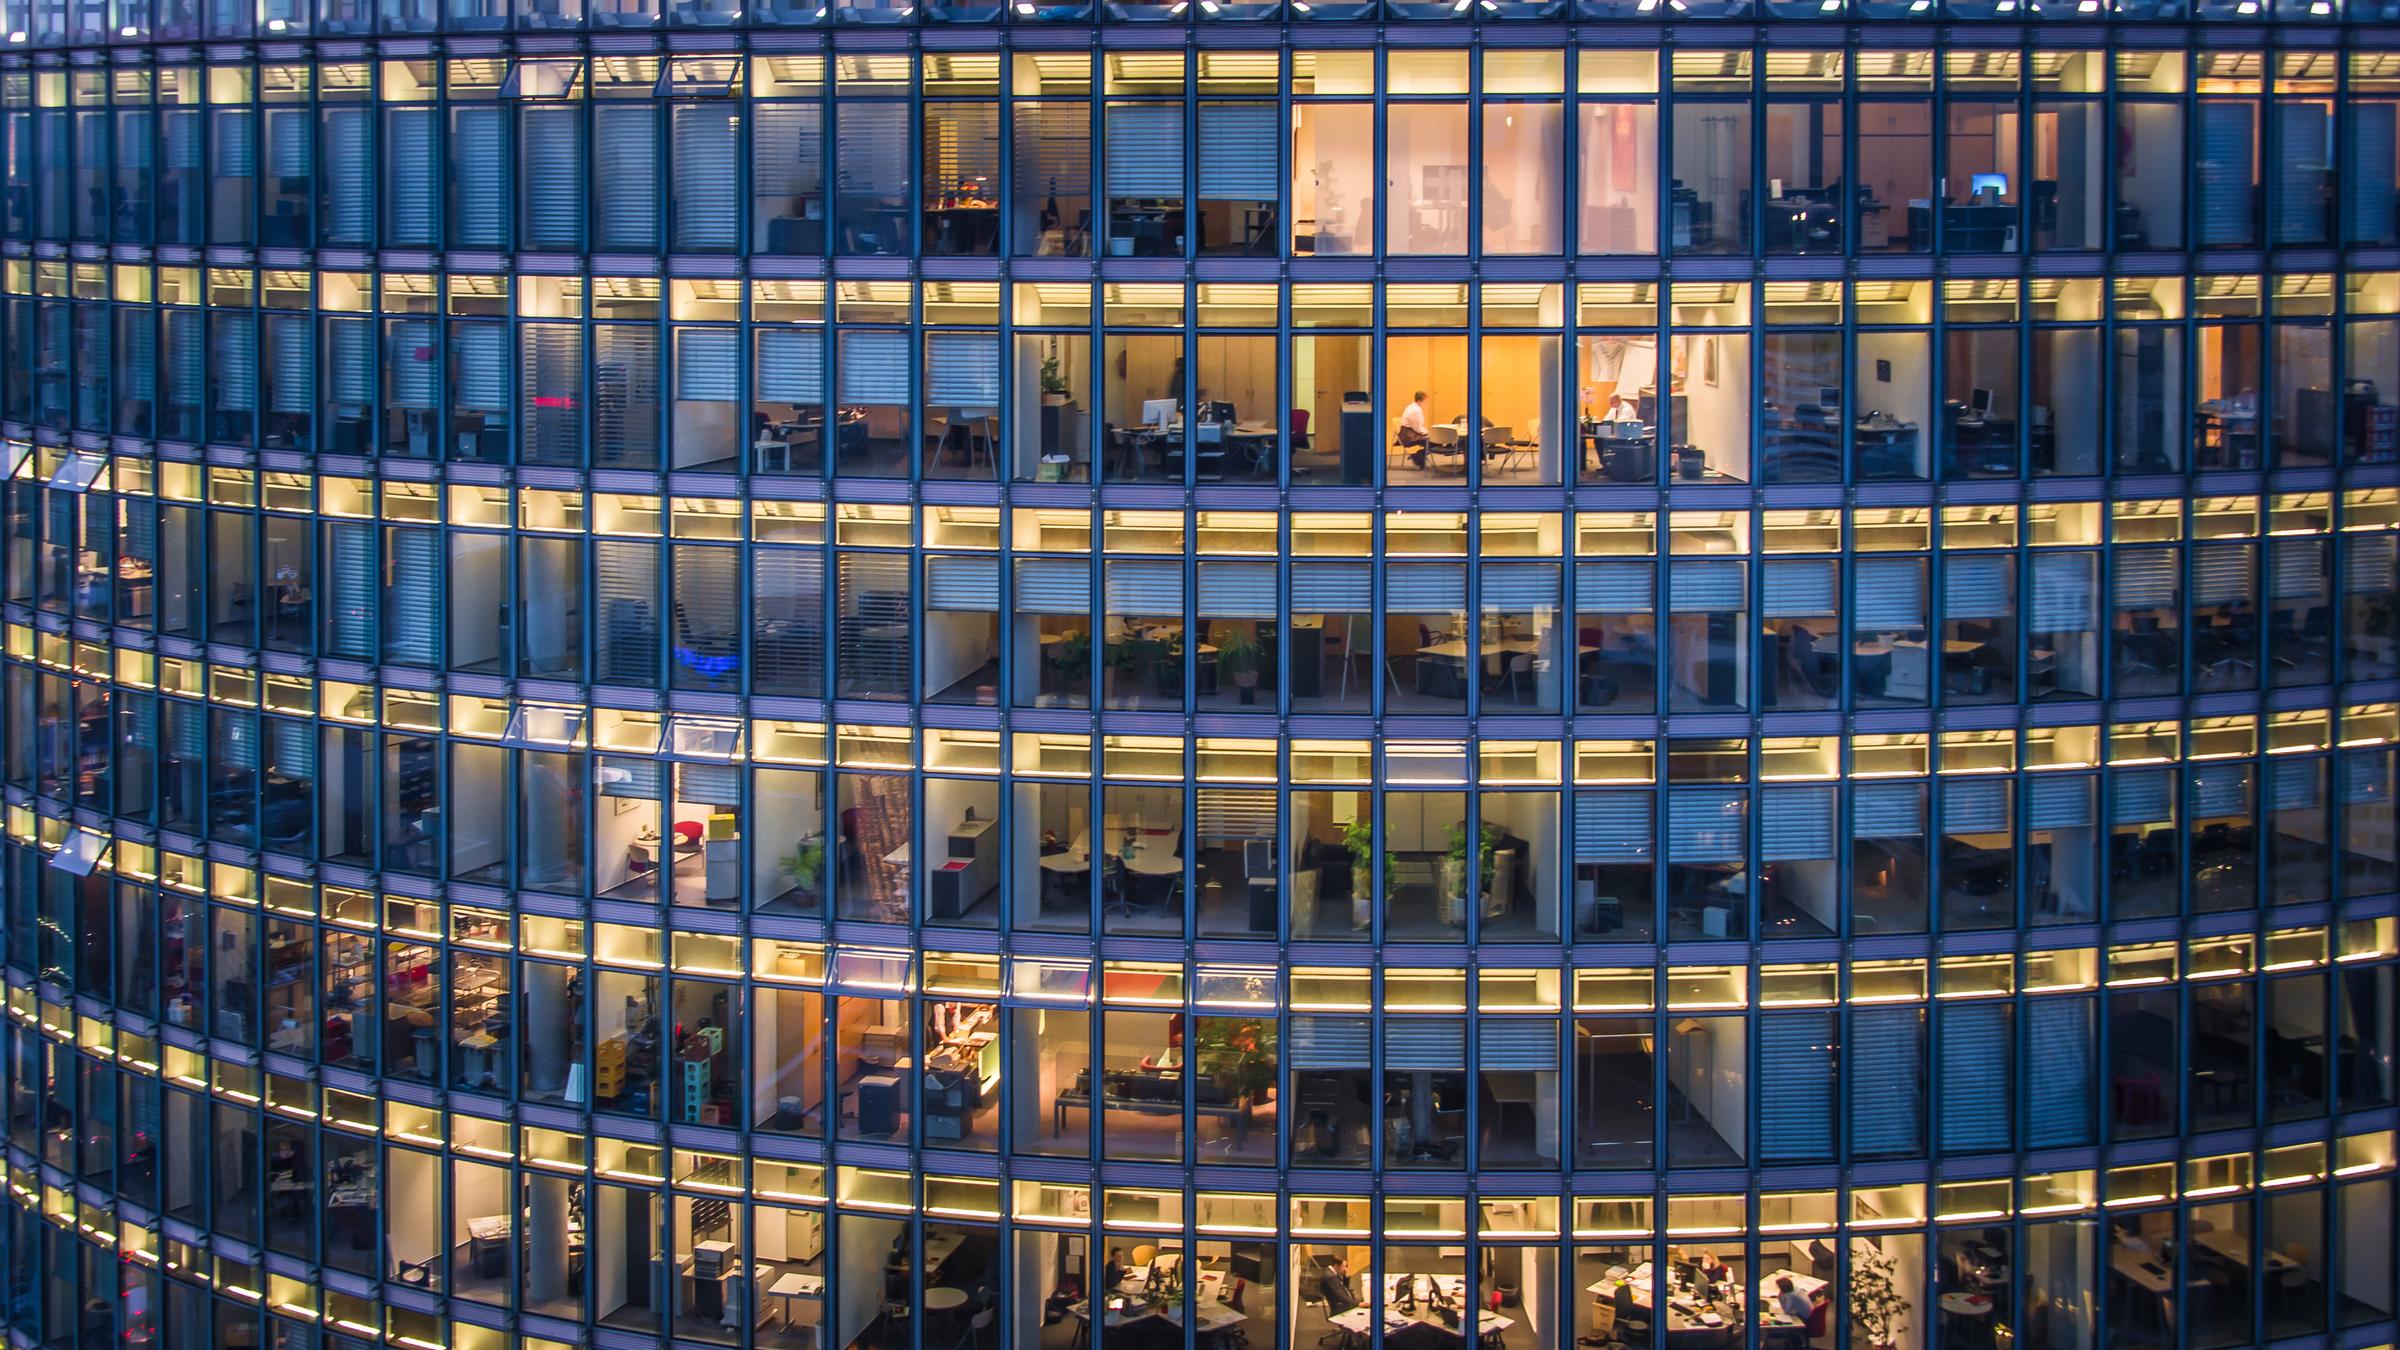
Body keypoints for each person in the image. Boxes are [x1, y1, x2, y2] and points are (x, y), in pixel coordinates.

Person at [1397, 391, 1431, 467]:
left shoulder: (1411, 406)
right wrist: (1428, 433)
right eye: (1425, 401)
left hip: (1404, 434)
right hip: (1408, 436)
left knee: (1430, 440)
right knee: (1432, 441)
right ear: (1420, 400)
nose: (1426, 403)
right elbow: (1417, 428)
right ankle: (1417, 457)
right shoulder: (1416, 410)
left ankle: (1418, 458)